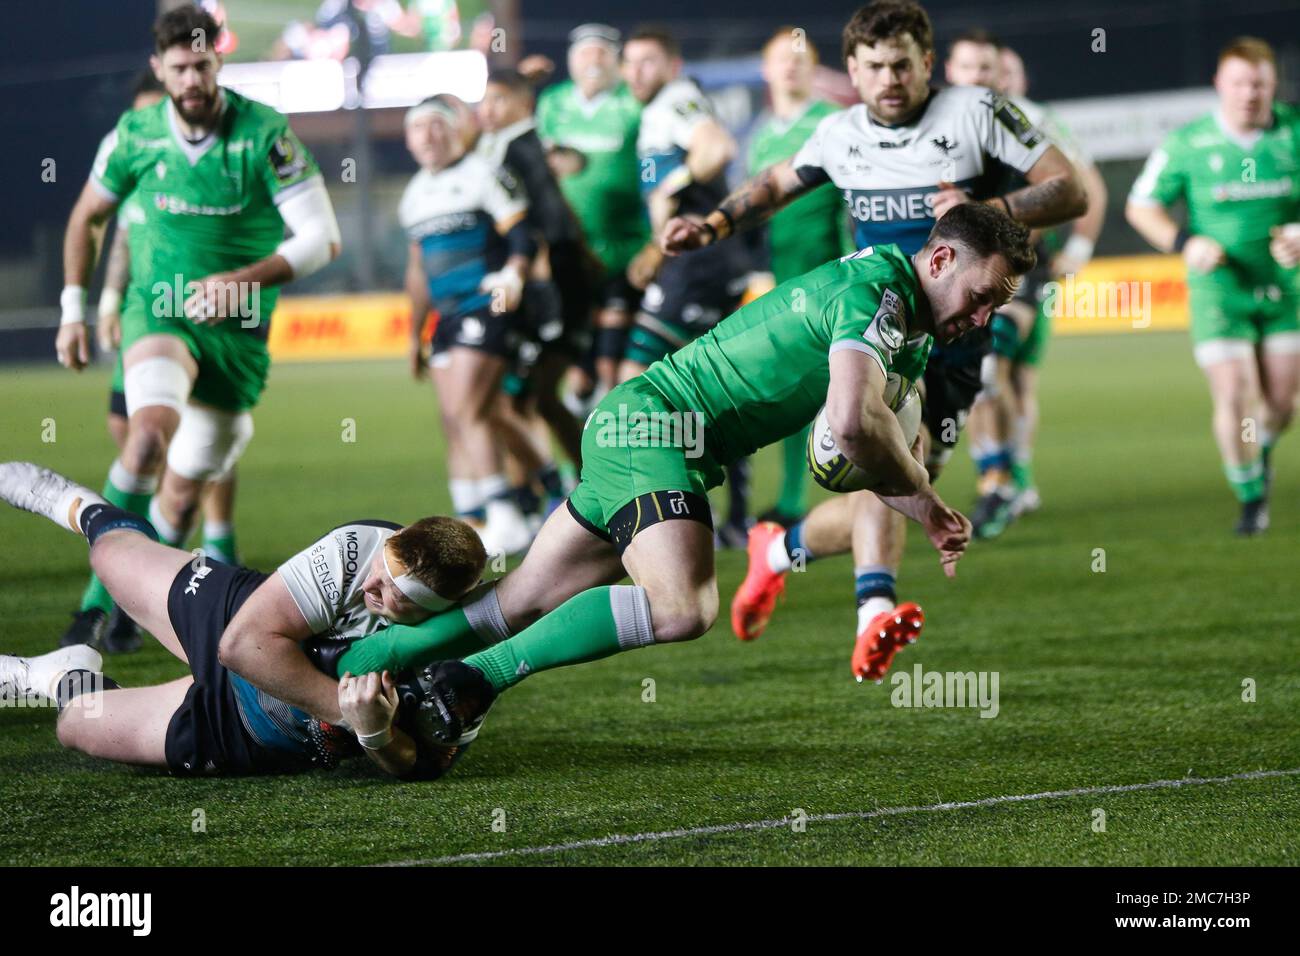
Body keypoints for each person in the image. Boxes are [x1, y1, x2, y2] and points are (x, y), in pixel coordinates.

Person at [307, 203, 1037, 752]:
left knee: (520, 600)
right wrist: (931, 499)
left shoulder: (906, 340)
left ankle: (356, 663)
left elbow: (873, 441)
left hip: (644, 430)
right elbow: (851, 426)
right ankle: (469, 684)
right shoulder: (878, 295)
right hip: (653, 429)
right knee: (683, 606)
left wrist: (923, 507)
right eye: (982, 296)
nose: (981, 318)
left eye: (996, 308)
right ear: (939, 262)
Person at [662, 0, 1086, 676]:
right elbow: (774, 183)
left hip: (958, 332)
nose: (889, 78)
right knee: (895, 462)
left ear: (926, 62)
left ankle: (778, 549)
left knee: (903, 481)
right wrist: (711, 224)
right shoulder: (839, 133)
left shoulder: (977, 111)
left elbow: (1070, 190)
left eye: (902, 64)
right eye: (874, 66)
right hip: (873, 331)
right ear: (853, 71)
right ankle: (874, 611)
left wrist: (985, 213)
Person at [56, 6, 341, 647]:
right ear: (160, 68)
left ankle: (139, 597)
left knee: (181, 499)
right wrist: (78, 307)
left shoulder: (265, 134)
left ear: (219, 60)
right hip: (158, 309)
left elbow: (324, 239)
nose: (191, 79)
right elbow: (87, 218)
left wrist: (240, 282)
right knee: (147, 434)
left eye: (202, 65)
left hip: (238, 331)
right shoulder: (133, 134)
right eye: (179, 68)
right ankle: (93, 609)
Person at [0, 461, 485, 779]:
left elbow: (423, 765)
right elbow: (242, 646)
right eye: (379, 572)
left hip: (250, 727)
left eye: (390, 595)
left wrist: (379, 735)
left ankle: (55, 674)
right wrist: (344, 713)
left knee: (76, 726)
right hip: (246, 621)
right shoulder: (359, 547)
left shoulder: (465, 653)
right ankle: (72, 503)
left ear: (434, 609)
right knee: (111, 557)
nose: (368, 587)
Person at [1127, 36, 1300, 535]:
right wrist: (1184, 242)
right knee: (1236, 394)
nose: (1250, 94)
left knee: (1281, 405)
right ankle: (1250, 497)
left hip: (1286, 289)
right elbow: (1141, 207)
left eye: (1260, 84)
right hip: (1218, 290)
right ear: (1219, 85)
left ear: (1274, 86)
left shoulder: (1293, 134)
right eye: (1240, 83)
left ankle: (1260, 449)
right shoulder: (1187, 143)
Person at [945, 31, 1108, 537]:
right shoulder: (938, 124)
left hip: (1026, 269)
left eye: (989, 69)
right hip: (960, 272)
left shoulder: (1032, 122)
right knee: (984, 377)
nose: (980, 78)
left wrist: (1075, 249)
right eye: (969, 68)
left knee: (1004, 372)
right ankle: (998, 477)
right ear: (949, 70)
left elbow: (1086, 187)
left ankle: (1009, 479)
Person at [620, 24, 755, 545]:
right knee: (711, 395)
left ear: (672, 66)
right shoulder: (656, 111)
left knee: (637, 385)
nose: (636, 72)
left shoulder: (675, 100)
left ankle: (662, 512)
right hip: (699, 266)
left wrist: (667, 220)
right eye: (629, 62)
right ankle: (729, 515)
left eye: (648, 61)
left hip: (698, 267)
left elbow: (716, 148)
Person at [401, 94, 537, 557]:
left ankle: (507, 516)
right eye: (418, 129)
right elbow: (418, 272)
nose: (429, 136)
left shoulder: (484, 173)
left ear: (455, 131)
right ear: (409, 141)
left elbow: (522, 236)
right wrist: (413, 333)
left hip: (487, 303)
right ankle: (473, 517)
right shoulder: (414, 195)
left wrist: (514, 274)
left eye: (437, 126)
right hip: (446, 317)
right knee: (452, 420)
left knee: (469, 411)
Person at [747, 26, 853, 528]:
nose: (790, 67)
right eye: (780, 59)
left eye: (800, 59)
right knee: (790, 390)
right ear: (766, 70)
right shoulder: (762, 134)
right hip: (784, 282)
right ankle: (791, 501)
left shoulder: (831, 122)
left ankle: (880, 495)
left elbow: (854, 199)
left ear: (814, 70)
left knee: (849, 390)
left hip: (831, 276)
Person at [477, 67, 591, 487]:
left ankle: (562, 491)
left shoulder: (520, 149)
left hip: (546, 290)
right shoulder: (508, 146)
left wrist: (536, 276)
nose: (487, 110)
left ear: (524, 104)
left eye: (498, 100)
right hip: (546, 285)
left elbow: (548, 217)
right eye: (483, 101)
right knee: (532, 399)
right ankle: (563, 493)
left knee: (520, 399)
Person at [535, 24, 649, 410]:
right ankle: (576, 464)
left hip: (624, 250)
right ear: (571, 61)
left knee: (613, 366)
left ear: (617, 63)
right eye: (585, 52)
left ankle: (609, 451)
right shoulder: (552, 103)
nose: (594, 59)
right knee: (576, 372)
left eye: (603, 52)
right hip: (568, 253)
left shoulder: (632, 103)